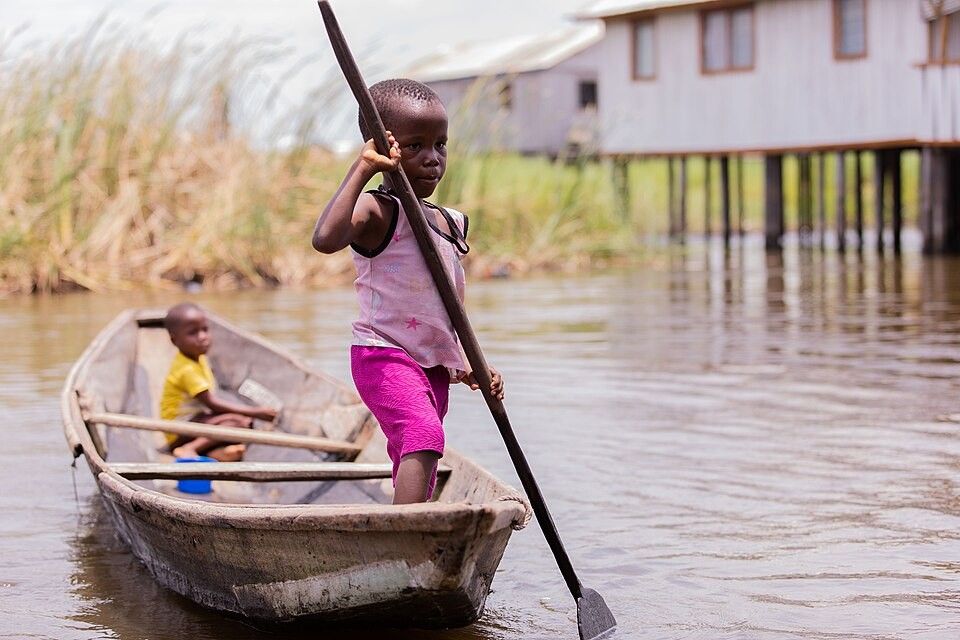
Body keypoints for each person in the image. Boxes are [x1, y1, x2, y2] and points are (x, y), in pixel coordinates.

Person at [312, 78, 504, 504]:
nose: (432, 158)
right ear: (385, 146)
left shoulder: (451, 222)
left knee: (416, 454)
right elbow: (325, 238)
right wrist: (364, 168)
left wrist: (470, 363)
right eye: (415, 146)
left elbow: (449, 308)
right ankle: (407, 531)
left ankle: (404, 521)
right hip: (383, 355)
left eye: (440, 145)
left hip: (432, 365)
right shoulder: (378, 212)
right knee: (424, 434)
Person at [159, 302, 277, 461]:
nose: (202, 337)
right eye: (193, 333)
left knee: (244, 423)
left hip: (194, 420)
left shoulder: (197, 357)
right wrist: (256, 412)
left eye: (205, 329)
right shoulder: (187, 369)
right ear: (175, 341)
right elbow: (212, 403)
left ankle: (212, 453)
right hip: (178, 431)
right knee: (238, 423)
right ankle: (190, 448)